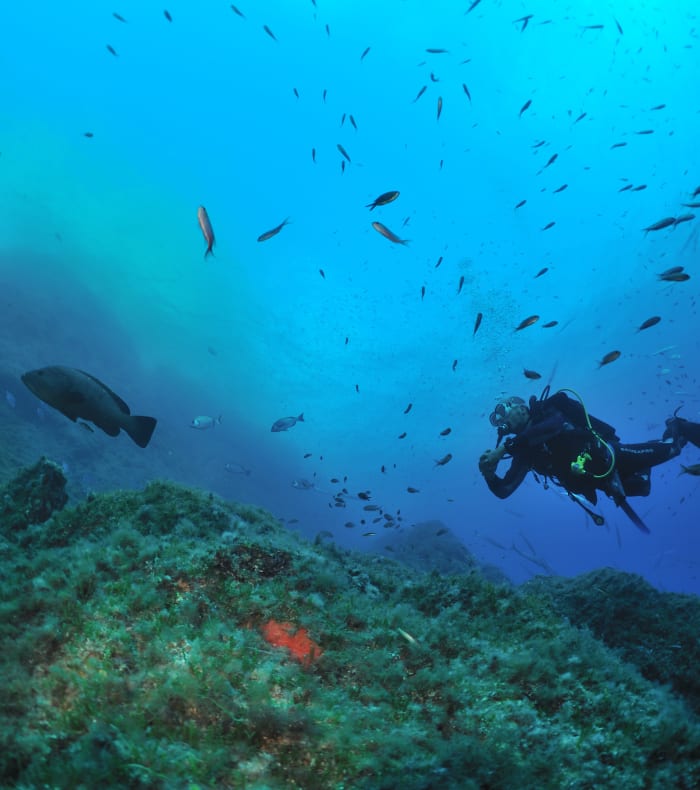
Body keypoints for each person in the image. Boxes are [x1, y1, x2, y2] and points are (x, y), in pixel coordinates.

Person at [478, 386, 700, 532]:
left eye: (505, 409)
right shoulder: (525, 453)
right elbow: (504, 490)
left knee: (673, 450)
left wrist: (503, 449)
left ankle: (677, 427)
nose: (503, 419)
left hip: (610, 456)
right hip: (598, 480)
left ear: (521, 407)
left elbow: (553, 426)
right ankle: (657, 445)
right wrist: (489, 475)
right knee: (642, 487)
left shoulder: (547, 411)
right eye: (498, 419)